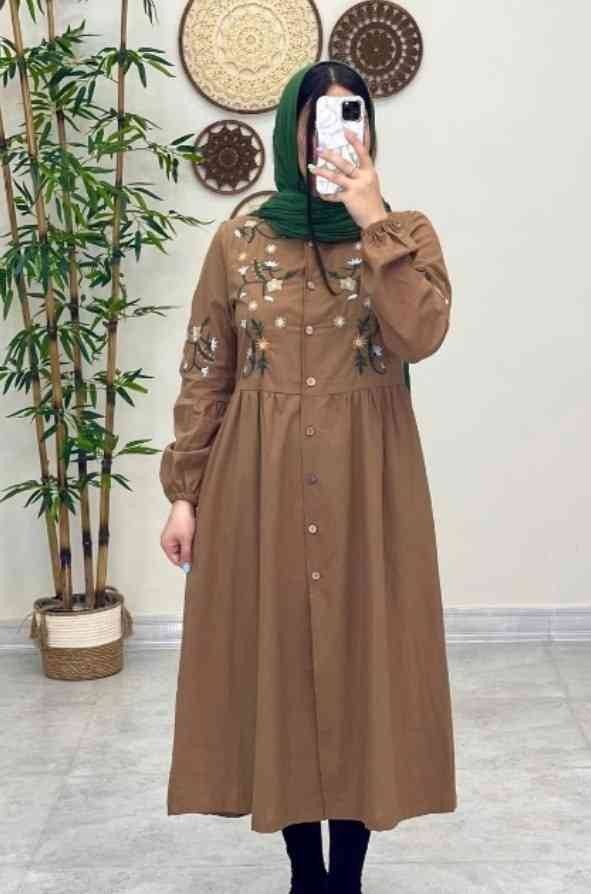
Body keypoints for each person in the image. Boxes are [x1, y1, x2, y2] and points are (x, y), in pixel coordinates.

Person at [159, 60, 457, 894]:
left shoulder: (405, 234)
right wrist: (183, 492)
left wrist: (371, 218)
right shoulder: (240, 239)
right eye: (319, 121)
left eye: (351, 117)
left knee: (364, 662)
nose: (336, 135)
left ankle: (347, 877)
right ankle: (303, 874)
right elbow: (207, 369)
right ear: (291, 133)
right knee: (279, 660)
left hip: (370, 483)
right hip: (255, 480)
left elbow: (422, 335)